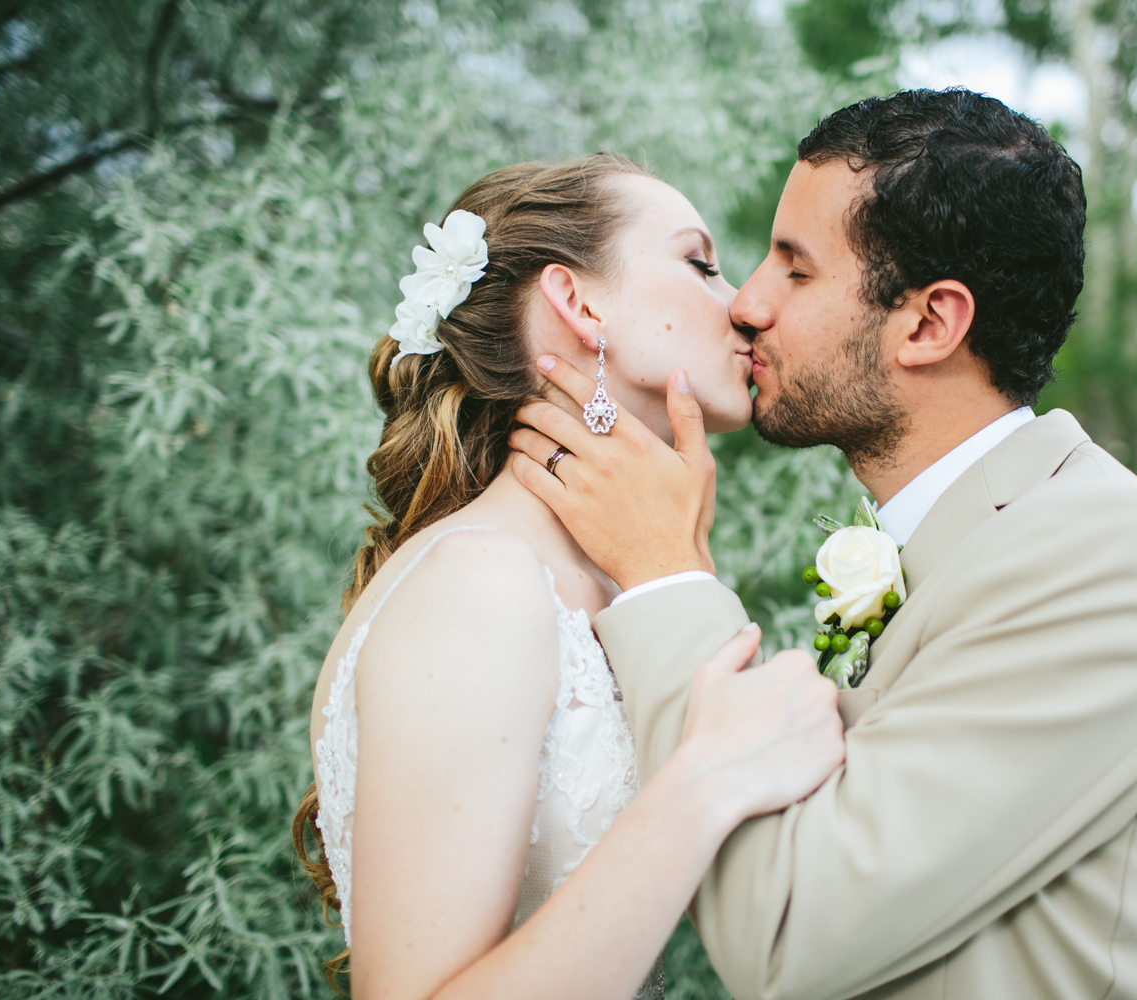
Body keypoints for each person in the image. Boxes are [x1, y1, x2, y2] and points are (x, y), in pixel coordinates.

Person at [510, 90, 1137, 999]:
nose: (747, 305)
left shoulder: (1115, 560)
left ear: (929, 324)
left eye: (796, 272)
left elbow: (788, 934)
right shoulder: (915, 544)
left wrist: (662, 573)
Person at [292, 153, 846, 1000]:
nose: (739, 303)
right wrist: (705, 782)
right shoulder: (479, 584)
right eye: (699, 263)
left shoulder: (610, 585)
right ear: (579, 304)